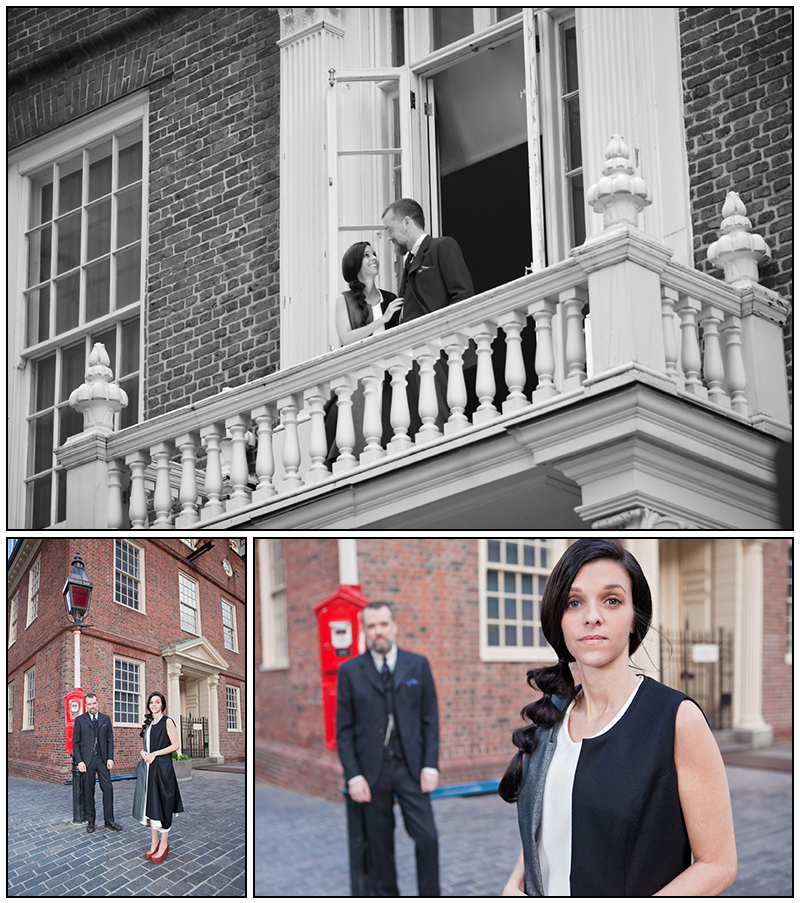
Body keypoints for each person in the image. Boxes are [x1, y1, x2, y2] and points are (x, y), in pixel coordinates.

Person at [499, 538, 737, 897]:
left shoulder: (674, 720)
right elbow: (550, 821)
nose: (591, 615)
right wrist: (514, 883)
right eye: (574, 602)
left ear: (633, 618)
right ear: (559, 621)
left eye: (612, 600)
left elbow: (717, 864)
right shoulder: (552, 717)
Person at [336, 601, 440, 896]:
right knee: (380, 846)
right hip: (372, 772)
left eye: (383, 624)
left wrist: (431, 765)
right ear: (363, 631)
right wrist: (353, 776)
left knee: (427, 838)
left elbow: (429, 720)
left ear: (394, 626)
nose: (378, 631)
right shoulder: (350, 671)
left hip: (412, 767)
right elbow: (343, 730)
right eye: (371, 626)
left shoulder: (417, 664)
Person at [382, 198, 475, 431]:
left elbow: (463, 296)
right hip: (413, 361)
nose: (389, 237)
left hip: (439, 355)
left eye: (390, 229)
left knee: (444, 424)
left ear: (406, 222)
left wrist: (444, 342)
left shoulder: (442, 246)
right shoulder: (407, 263)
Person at [326, 242, 403, 466]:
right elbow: (346, 338)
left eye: (374, 253)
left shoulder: (390, 298)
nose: (374, 258)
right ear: (355, 264)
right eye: (366, 255)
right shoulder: (345, 300)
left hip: (390, 375)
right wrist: (382, 320)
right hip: (361, 379)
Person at [133, 691, 184, 864]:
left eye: (157, 702)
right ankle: (154, 842)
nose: (154, 705)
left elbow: (176, 745)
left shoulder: (167, 721)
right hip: (150, 770)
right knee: (151, 805)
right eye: (151, 702)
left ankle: (164, 844)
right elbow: (148, 746)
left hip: (163, 769)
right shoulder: (149, 724)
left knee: (163, 805)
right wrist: (144, 752)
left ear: (162, 704)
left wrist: (155, 753)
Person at [72, 692, 122, 833]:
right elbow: (75, 744)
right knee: (89, 791)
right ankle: (91, 821)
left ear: (97, 703)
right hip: (87, 762)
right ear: (85, 705)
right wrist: (79, 761)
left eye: (94, 703)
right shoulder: (80, 720)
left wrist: (110, 758)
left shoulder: (105, 718)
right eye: (89, 704)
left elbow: (110, 740)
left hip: (102, 759)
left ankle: (109, 820)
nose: (92, 706)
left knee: (108, 789)